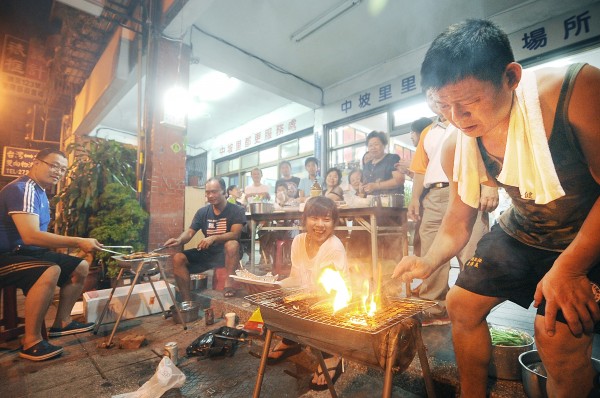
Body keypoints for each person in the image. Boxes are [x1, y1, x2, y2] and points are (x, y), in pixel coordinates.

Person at [393, 19, 600, 397]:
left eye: (469, 102)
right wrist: (428, 262)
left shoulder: (576, 92)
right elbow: (457, 221)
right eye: (442, 106)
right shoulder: (457, 142)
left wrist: (570, 269)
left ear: (511, 77)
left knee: (553, 332)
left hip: (589, 232)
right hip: (524, 230)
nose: (457, 117)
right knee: (460, 304)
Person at [0, 148, 102, 361]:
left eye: (63, 169)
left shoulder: (40, 192)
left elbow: (39, 237)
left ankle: (62, 323)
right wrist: (77, 241)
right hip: (7, 255)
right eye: (53, 165)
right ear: (36, 163)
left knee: (80, 267)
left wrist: (71, 246)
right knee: (49, 270)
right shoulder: (23, 188)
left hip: (27, 253)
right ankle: (31, 342)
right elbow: (30, 236)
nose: (58, 172)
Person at [407, 106, 497, 326]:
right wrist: (415, 199)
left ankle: (473, 308)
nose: (436, 100)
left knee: (472, 251)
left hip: (469, 187)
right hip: (434, 194)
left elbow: (488, 152)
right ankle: (434, 308)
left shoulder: (472, 117)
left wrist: (489, 185)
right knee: (431, 250)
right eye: (431, 96)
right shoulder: (428, 131)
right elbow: (420, 170)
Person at [267, 196, 347, 391]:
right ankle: (290, 340)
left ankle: (332, 354)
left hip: (331, 307)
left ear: (334, 224)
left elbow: (329, 295)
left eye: (326, 220)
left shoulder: (333, 247)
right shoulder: (298, 241)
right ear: (304, 220)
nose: (320, 225)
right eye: (314, 218)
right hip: (307, 301)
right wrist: (272, 286)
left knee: (317, 311)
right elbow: (296, 279)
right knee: (274, 300)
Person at [164, 177, 246, 299]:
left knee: (232, 244)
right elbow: (190, 232)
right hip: (209, 253)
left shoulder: (236, 210)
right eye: (207, 192)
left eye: (214, 191)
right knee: (178, 258)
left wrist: (213, 238)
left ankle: (229, 286)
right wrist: (179, 240)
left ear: (224, 192)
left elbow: (235, 234)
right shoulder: (202, 212)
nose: (210, 195)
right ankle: (187, 301)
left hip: (228, 254)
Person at [361, 131, 404, 195]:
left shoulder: (392, 158)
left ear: (384, 145)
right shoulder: (367, 165)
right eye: (370, 145)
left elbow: (399, 180)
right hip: (371, 203)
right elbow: (363, 183)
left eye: (376, 144)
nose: (373, 148)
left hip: (392, 202)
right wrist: (362, 188)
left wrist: (375, 186)